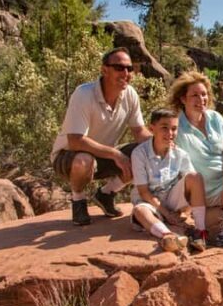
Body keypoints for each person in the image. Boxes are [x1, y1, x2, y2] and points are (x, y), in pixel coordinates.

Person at [51, 47, 151, 226]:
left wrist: (160, 144)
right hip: (68, 157)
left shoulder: (130, 95)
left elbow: (139, 131)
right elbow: (75, 141)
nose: (126, 73)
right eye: (119, 68)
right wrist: (116, 154)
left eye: (130, 68)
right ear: (104, 70)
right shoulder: (84, 94)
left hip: (104, 156)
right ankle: (78, 200)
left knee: (144, 153)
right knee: (84, 160)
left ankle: (106, 194)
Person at [168, 71, 223, 246]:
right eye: (194, 95)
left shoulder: (215, 118)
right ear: (182, 99)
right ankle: (209, 227)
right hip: (199, 193)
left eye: (203, 94)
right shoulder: (177, 126)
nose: (201, 99)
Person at [130, 109, 208, 253]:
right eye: (164, 128)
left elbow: (192, 184)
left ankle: (200, 232)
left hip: (171, 199)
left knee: (196, 177)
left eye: (174, 129)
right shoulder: (139, 153)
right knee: (139, 211)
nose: (170, 133)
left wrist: (186, 211)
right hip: (149, 202)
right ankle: (169, 237)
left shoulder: (180, 154)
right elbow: (143, 192)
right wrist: (166, 214)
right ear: (152, 128)